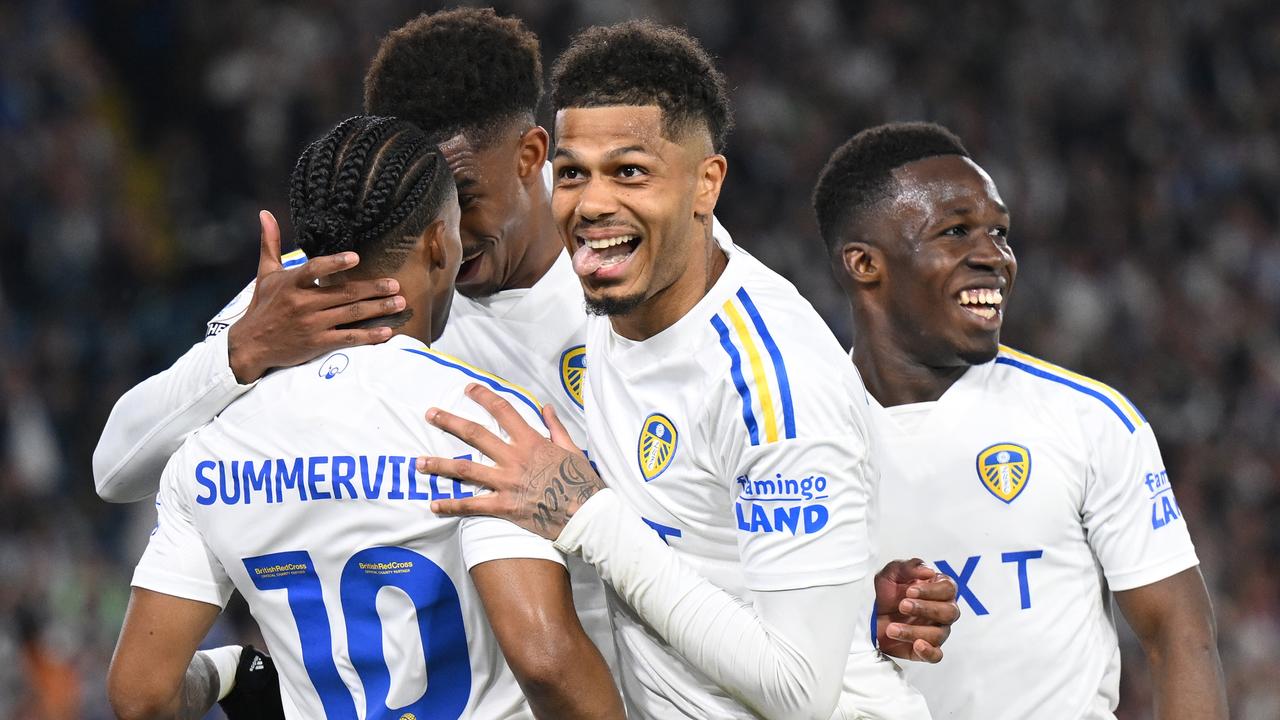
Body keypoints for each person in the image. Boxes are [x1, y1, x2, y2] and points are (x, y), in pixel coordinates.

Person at [91, 6, 956, 679]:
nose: (443, 235)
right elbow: (117, 467)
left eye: (462, 194)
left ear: (532, 154)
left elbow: (776, 447)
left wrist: (856, 580)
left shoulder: (648, 263)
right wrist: (241, 349)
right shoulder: (340, 280)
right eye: (417, 203)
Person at [420, 21, 938, 720]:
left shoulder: (769, 384)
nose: (593, 203)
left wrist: (588, 515)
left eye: (630, 171)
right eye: (573, 173)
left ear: (706, 185)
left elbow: (798, 692)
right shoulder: (621, 295)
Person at [106, 115, 623, 720]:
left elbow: (140, 695)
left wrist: (229, 670)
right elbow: (545, 660)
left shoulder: (208, 451)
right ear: (438, 244)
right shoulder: (486, 423)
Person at [810, 121, 1229, 719]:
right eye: (955, 232)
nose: (993, 257)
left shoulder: (1087, 419)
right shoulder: (796, 437)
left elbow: (1181, 636)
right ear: (864, 264)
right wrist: (856, 618)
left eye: (1000, 234)